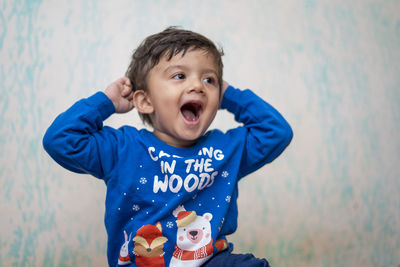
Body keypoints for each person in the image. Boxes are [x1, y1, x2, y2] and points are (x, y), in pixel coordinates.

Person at [43, 27, 293, 267]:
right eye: (179, 76)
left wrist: (229, 95)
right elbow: (60, 139)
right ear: (145, 100)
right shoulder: (123, 149)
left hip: (210, 261)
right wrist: (106, 102)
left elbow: (277, 132)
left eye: (209, 79)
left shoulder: (228, 149)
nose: (197, 86)